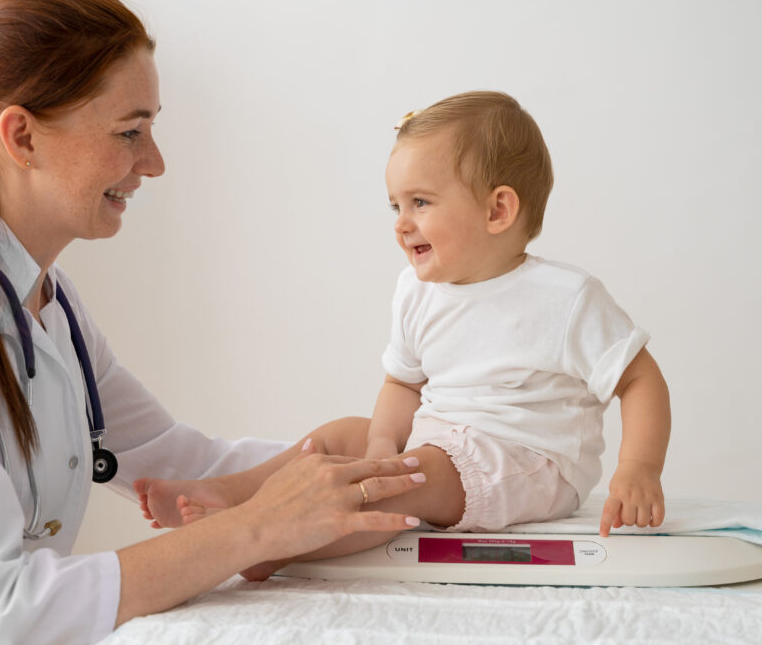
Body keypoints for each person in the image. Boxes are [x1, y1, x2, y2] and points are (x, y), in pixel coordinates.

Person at [0, 0, 428, 645]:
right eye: (130, 131)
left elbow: (186, 463)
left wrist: (364, 461)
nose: (154, 163)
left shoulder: (52, 306)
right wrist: (258, 527)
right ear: (21, 136)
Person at [137, 91, 672, 579]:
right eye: (396, 205)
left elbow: (640, 379)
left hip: (526, 462)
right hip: (438, 440)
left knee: (405, 481)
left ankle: (275, 546)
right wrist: (377, 445)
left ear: (497, 210)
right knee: (338, 436)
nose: (400, 222)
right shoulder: (417, 292)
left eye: (420, 202)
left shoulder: (564, 297)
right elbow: (401, 386)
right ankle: (229, 490)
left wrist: (638, 469)